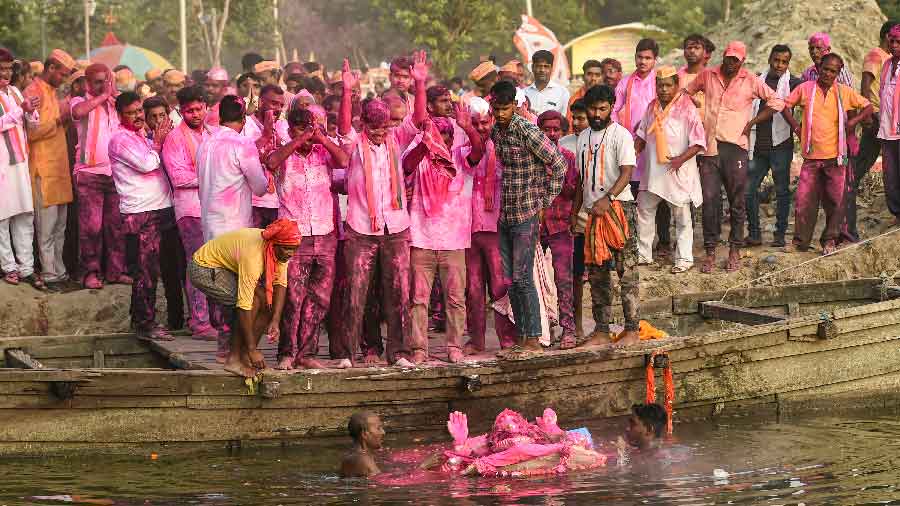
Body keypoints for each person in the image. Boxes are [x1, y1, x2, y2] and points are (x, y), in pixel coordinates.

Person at [339, 54, 425, 367]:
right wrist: (347, 92)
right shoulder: (353, 142)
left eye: (383, 127)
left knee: (399, 292)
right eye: (372, 127)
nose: (378, 132)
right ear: (364, 124)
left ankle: (399, 353)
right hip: (361, 229)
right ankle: (350, 353)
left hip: (396, 228)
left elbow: (418, 120)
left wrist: (419, 83)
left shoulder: (397, 139)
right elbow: (343, 125)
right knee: (357, 293)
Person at [683, 41, 784, 273]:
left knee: (737, 201)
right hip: (709, 147)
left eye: (735, 60)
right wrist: (697, 115)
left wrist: (752, 122)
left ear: (742, 61)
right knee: (710, 199)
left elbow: (777, 101)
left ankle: (734, 250)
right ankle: (710, 251)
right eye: (728, 58)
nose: (731, 63)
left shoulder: (750, 80)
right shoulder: (708, 75)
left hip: (735, 147)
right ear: (724, 56)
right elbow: (686, 93)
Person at [402, 79, 483, 364]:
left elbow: (478, 151)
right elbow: (406, 166)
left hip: (454, 240)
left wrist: (467, 127)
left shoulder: (461, 157)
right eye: (440, 135)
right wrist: (426, 144)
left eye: (447, 137)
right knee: (418, 300)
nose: (444, 141)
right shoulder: (421, 153)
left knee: (455, 300)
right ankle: (419, 349)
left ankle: (453, 347)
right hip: (421, 238)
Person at [266, 106, 349, 370]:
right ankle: (286, 354)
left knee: (320, 299)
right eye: (302, 127)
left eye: (311, 127)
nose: (308, 133)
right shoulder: (283, 152)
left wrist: (322, 139)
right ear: (290, 129)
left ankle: (306, 353)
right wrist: (299, 140)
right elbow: (270, 162)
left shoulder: (323, 151)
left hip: (325, 234)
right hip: (293, 235)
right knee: (293, 298)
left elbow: (345, 161)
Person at [490, 79, 567, 351]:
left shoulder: (526, 130)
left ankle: (533, 336)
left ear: (514, 105)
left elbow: (558, 164)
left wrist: (544, 202)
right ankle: (523, 337)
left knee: (523, 279)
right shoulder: (496, 132)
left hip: (527, 213)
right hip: (506, 214)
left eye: (505, 108)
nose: (500, 113)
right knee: (510, 280)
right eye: (496, 108)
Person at [782, 53, 873, 255]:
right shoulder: (806, 89)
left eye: (833, 71)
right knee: (804, 201)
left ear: (838, 73)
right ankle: (800, 242)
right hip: (811, 158)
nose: (828, 73)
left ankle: (830, 240)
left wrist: (853, 122)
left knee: (835, 202)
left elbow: (868, 106)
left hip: (836, 158)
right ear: (819, 68)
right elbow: (785, 106)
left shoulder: (843, 92)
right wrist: (797, 127)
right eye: (825, 69)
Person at [573, 85, 640, 347]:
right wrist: (574, 212)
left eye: (602, 108)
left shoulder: (620, 135)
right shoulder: (582, 137)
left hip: (619, 209)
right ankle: (602, 331)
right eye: (593, 109)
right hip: (592, 213)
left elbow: (627, 172)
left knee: (627, 271)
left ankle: (632, 329)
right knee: (598, 273)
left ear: (611, 107)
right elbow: (581, 180)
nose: (597, 113)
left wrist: (608, 198)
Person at [189, 220, 299, 377]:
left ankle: (244, 356)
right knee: (252, 302)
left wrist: (275, 320)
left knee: (267, 302)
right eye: (287, 249)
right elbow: (244, 305)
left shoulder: (280, 250)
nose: (290, 253)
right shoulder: (253, 256)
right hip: (203, 268)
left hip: (226, 269)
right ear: (273, 245)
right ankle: (234, 360)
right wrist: (253, 349)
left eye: (294, 249)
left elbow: (280, 284)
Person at [108, 91, 175, 340]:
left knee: (151, 271)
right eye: (131, 113)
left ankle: (142, 321)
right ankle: (145, 324)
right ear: (119, 115)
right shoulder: (119, 139)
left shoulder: (140, 136)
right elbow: (147, 164)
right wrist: (157, 142)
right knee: (144, 271)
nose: (137, 116)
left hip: (155, 210)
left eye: (139, 111)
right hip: (139, 213)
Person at [161, 85, 226, 341]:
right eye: (189, 111)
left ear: (206, 108)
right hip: (189, 210)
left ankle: (216, 319)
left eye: (199, 109)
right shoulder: (175, 138)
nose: (195, 114)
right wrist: (213, 176)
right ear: (181, 111)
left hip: (214, 209)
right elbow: (178, 177)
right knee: (197, 264)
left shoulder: (213, 133)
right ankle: (199, 322)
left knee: (216, 264)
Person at [634, 67, 706, 273]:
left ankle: (684, 259)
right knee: (645, 211)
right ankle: (643, 254)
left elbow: (699, 142)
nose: (663, 89)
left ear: (676, 85)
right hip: (653, 172)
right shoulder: (651, 106)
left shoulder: (687, 108)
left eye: (668, 85)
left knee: (682, 217)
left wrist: (680, 160)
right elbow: (641, 135)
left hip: (678, 171)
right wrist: (632, 153)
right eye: (660, 85)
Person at [463, 97, 518, 354]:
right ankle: (476, 341)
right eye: (475, 124)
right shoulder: (465, 146)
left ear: (493, 120)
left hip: (496, 226)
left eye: (485, 123)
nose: (481, 128)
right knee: (473, 289)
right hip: (469, 227)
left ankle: (507, 339)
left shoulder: (504, 145)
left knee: (499, 286)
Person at [70, 62, 129, 290]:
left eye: (106, 80)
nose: (103, 85)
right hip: (89, 173)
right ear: (86, 82)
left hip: (115, 173)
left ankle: (115, 271)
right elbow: (77, 113)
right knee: (91, 228)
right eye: (97, 81)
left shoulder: (115, 104)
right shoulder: (79, 101)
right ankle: (90, 273)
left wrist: (112, 97)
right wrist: (103, 95)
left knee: (115, 226)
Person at [25, 49, 75, 291]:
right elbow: (31, 132)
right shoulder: (33, 91)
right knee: (45, 228)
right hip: (42, 169)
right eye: (62, 75)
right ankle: (49, 274)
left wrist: (63, 120)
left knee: (60, 227)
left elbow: (57, 130)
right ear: (51, 68)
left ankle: (60, 272)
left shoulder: (54, 93)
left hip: (60, 169)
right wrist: (57, 120)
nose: (64, 80)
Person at [746, 45, 803, 247]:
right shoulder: (757, 80)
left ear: (788, 63)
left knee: (782, 191)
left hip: (781, 146)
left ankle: (779, 235)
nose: (779, 65)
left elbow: (805, 107)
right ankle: (754, 233)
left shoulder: (795, 83)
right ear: (770, 59)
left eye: (784, 61)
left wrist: (801, 130)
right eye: (776, 60)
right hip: (758, 146)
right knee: (748, 189)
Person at [197, 95, 269, 242]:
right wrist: (264, 170)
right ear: (244, 119)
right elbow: (260, 188)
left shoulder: (204, 143)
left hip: (209, 225)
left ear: (221, 118)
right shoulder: (242, 143)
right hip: (234, 227)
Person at [0, 48, 43, 289]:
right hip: (2, 166)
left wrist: (32, 111)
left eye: (8, 69)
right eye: (1, 69)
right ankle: (9, 267)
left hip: (21, 162)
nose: (5, 73)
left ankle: (26, 267)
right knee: (2, 218)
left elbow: (31, 123)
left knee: (25, 215)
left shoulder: (15, 91)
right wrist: (21, 110)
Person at [851, 21, 898, 239]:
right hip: (879, 119)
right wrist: (866, 113)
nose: (895, 43)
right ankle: (847, 190)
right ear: (886, 36)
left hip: (890, 121)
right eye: (893, 38)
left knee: (874, 162)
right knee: (878, 164)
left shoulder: (891, 61)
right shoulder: (878, 56)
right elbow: (866, 83)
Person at [537, 110, 579, 349]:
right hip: (535, 225)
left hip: (561, 223)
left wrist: (558, 178)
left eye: (556, 130)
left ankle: (569, 330)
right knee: (535, 280)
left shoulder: (568, 157)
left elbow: (573, 191)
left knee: (564, 278)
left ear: (562, 132)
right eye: (547, 129)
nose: (552, 134)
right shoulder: (532, 157)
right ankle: (542, 330)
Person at [242, 84, 285, 228]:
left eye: (281, 105)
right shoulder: (245, 124)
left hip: (277, 203)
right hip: (252, 202)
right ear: (260, 102)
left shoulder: (282, 126)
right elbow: (242, 157)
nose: (278, 109)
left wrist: (278, 139)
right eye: (274, 103)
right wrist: (266, 135)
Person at [879, 25, 900, 227]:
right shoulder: (886, 65)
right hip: (887, 129)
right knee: (890, 174)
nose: (894, 45)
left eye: (898, 42)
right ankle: (897, 213)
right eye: (891, 41)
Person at [524, 50, 569, 116]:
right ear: (532, 68)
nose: (542, 70)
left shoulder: (563, 93)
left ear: (551, 68)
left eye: (546, 66)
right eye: (539, 66)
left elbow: (564, 121)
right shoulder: (524, 93)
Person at [339, 412, 385, 478]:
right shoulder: (365, 461)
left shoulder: (349, 456)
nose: (383, 432)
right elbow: (378, 485)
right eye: (378, 428)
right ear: (364, 433)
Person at [568, 60, 604, 126]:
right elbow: (570, 127)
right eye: (589, 74)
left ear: (602, 78)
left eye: (597, 75)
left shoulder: (607, 97)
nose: (593, 78)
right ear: (583, 77)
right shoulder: (574, 99)